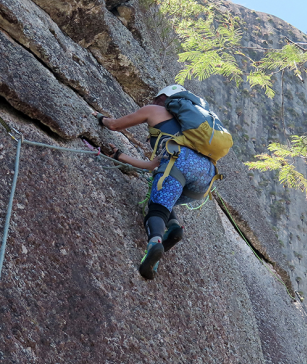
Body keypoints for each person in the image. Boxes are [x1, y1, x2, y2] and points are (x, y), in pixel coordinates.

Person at [94, 84, 219, 279]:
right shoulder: (190, 133)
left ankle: (155, 244)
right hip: (207, 176)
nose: (153, 100)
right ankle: (174, 229)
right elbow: (153, 165)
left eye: (156, 97)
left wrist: (99, 117)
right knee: (163, 197)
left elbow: (114, 125)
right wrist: (120, 156)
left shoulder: (154, 111)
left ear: (165, 98)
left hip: (180, 163)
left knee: (157, 208)